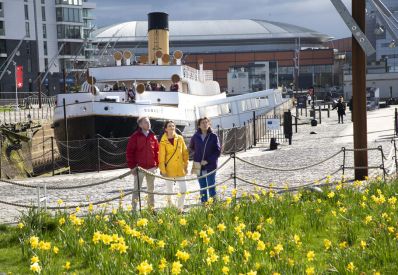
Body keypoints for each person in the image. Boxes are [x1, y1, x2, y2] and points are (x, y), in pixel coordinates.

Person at [126, 116, 159, 211]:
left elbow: (157, 150)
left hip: (151, 167)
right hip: (139, 168)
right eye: (145, 122)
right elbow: (129, 152)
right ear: (140, 125)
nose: (148, 124)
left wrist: (157, 164)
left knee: (151, 190)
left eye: (148, 122)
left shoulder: (153, 136)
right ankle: (134, 210)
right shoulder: (135, 136)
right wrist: (132, 167)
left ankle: (151, 209)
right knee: (136, 190)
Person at [189, 117, 221, 203]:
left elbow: (217, 151)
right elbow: (191, 148)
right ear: (199, 125)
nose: (204, 124)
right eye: (202, 123)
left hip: (210, 165)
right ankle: (204, 205)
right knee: (202, 187)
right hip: (197, 164)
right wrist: (198, 157)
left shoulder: (213, 136)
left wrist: (208, 160)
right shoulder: (195, 136)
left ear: (209, 124)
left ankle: (214, 205)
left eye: (206, 122)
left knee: (211, 186)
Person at [159, 120, 189, 210]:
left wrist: (186, 166)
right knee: (169, 191)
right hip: (169, 169)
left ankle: (180, 208)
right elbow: (161, 157)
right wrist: (163, 170)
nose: (171, 128)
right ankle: (171, 207)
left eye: (173, 126)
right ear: (165, 129)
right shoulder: (163, 141)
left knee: (184, 189)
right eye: (169, 126)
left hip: (180, 168)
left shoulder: (180, 138)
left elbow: (185, 152)